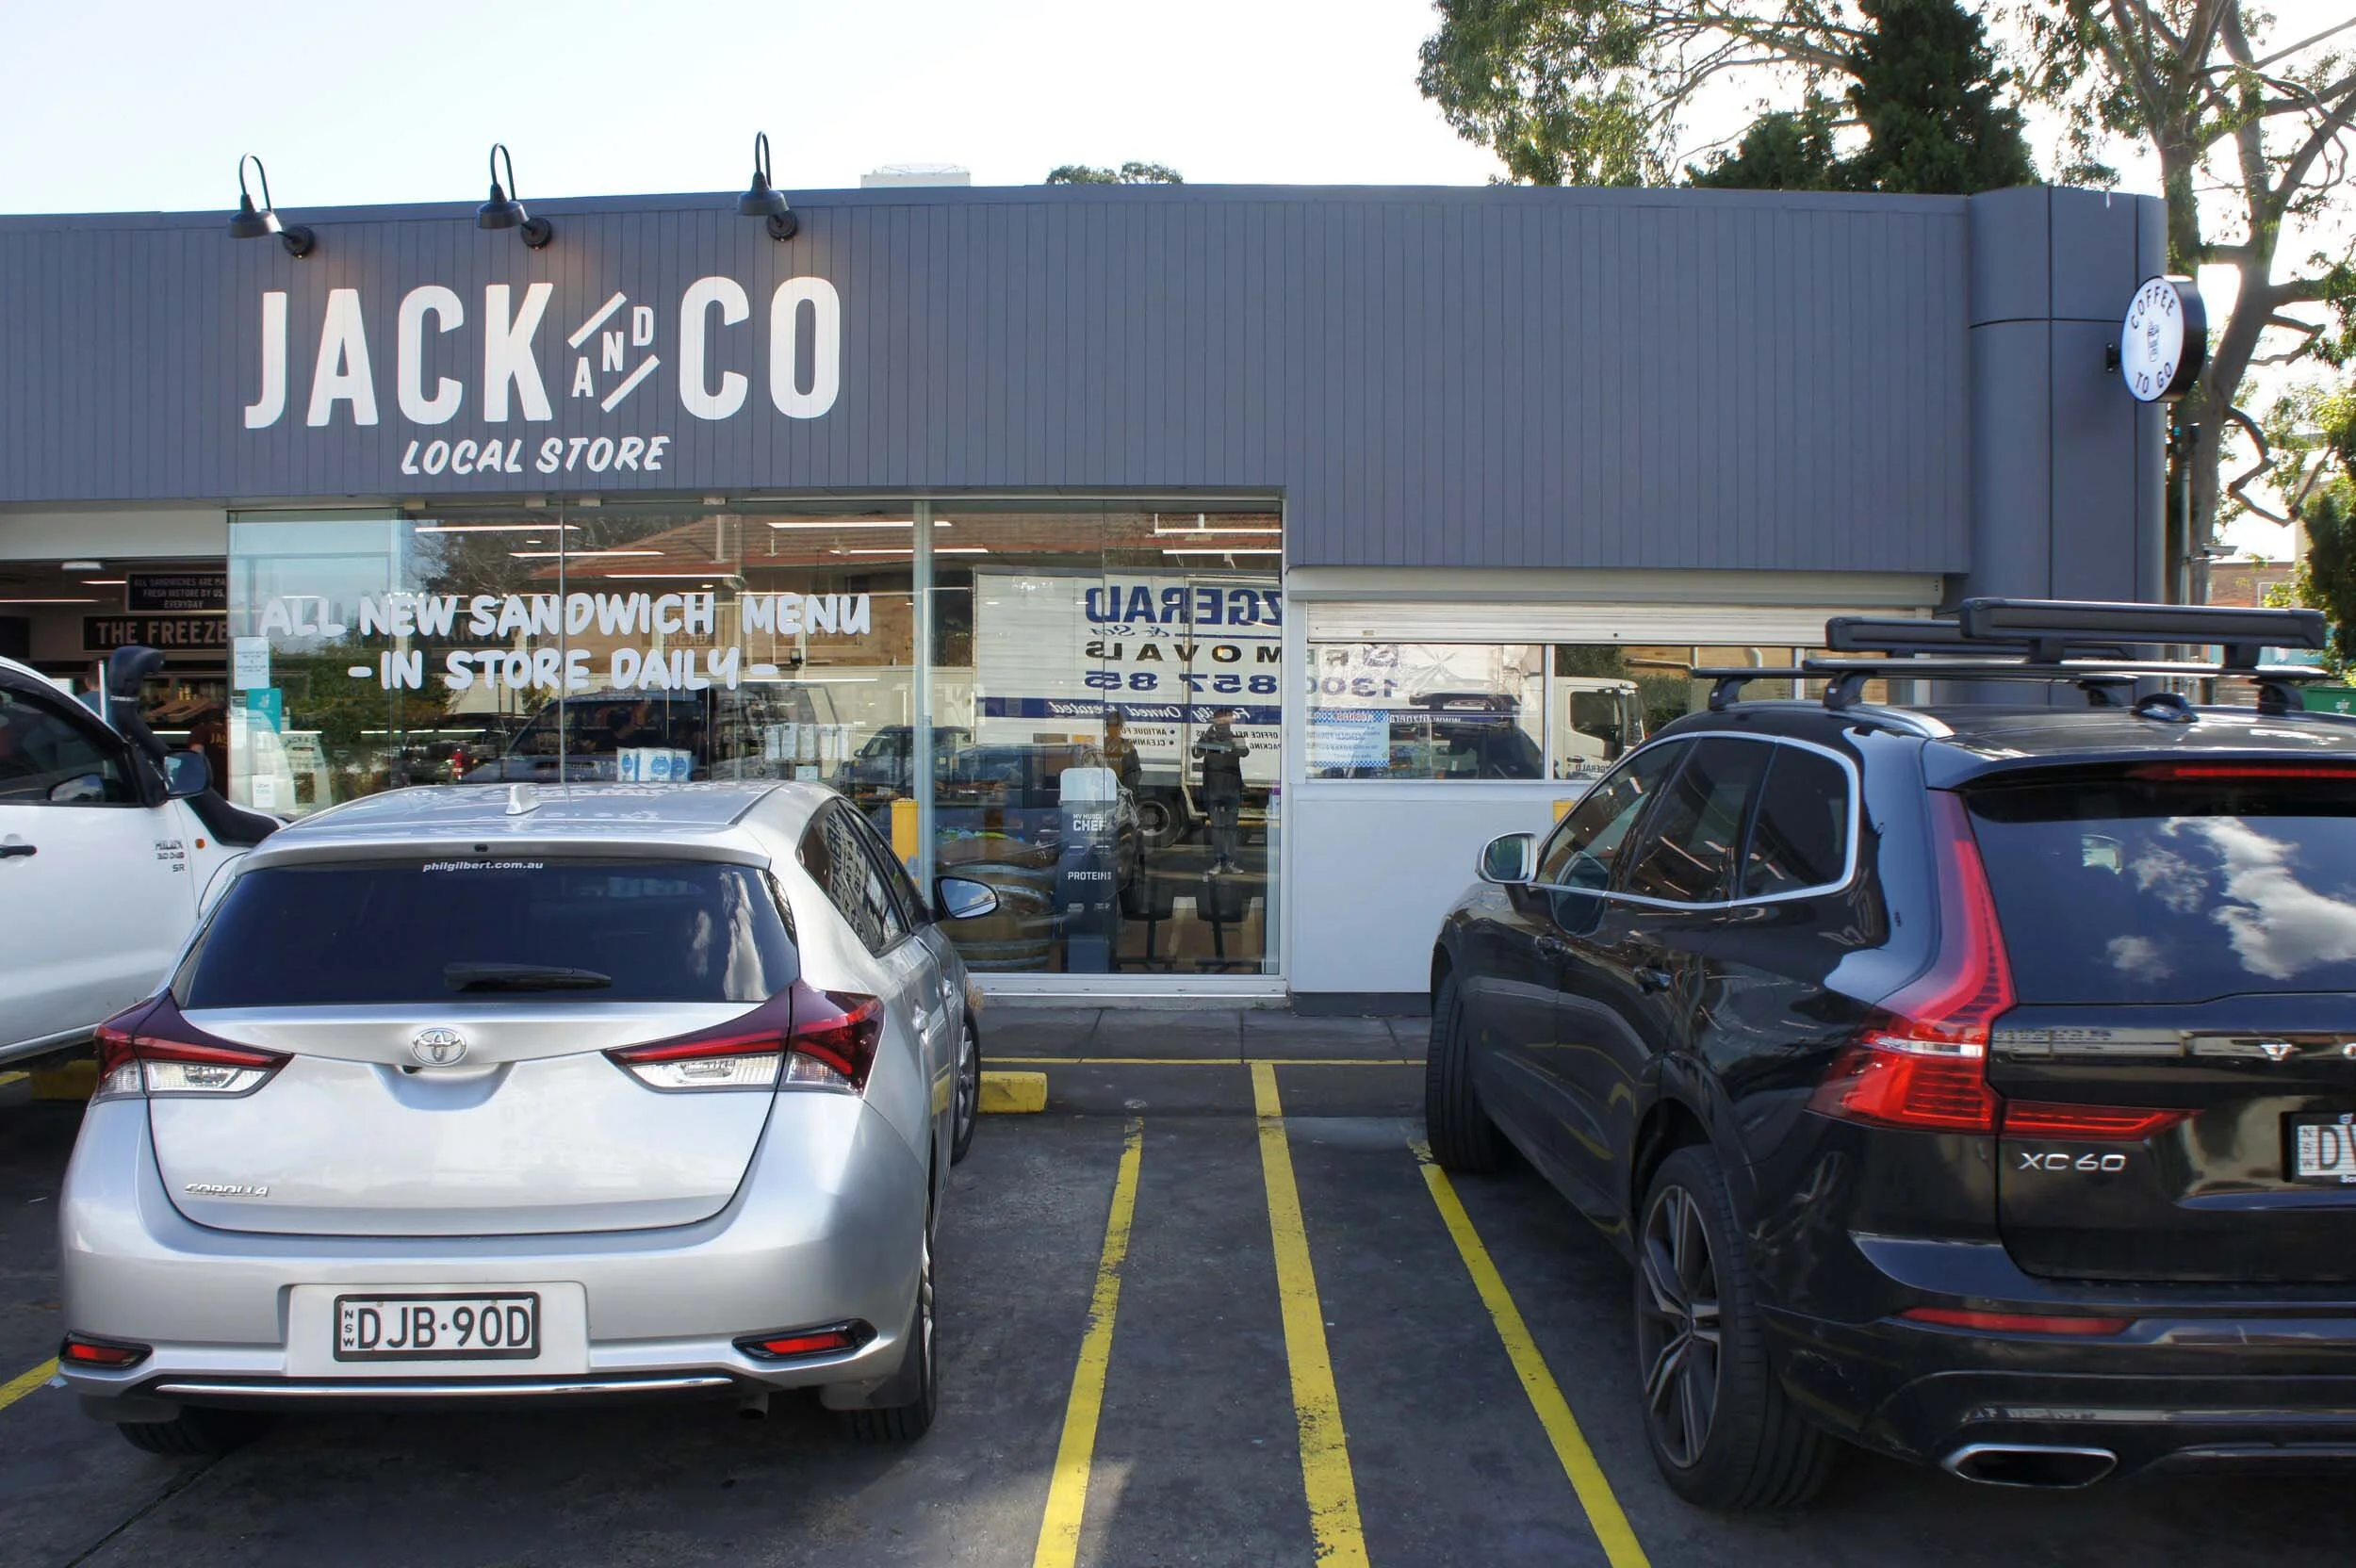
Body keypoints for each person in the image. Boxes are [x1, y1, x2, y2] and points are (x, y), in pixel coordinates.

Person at [1191, 708, 1250, 873]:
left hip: (1231, 788)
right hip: (1214, 789)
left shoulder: (1236, 738)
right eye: (1221, 721)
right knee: (1217, 827)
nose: (1225, 724)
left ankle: (1230, 862)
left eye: (1227, 720)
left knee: (1231, 827)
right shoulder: (1208, 738)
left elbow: (1244, 752)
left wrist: (1228, 742)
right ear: (1215, 722)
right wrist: (1207, 737)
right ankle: (1218, 861)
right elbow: (1196, 753)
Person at [1101, 710, 1142, 797]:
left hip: (1121, 794)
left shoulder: (1128, 746)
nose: (1112, 728)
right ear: (1106, 727)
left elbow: (1135, 771)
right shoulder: (1100, 745)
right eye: (1109, 725)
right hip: (1103, 794)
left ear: (1121, 727)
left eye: (1115, 725)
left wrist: (1124, 790)